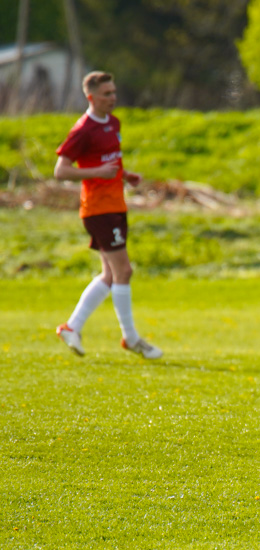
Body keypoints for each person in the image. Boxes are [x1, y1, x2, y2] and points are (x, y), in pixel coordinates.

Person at [54, 71, 162, 360]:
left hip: (116, 205)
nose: (112, 98)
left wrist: (125, 175)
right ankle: (131, 337)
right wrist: (96, 174)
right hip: (98, 209)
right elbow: (61, 170)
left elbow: (109, 160)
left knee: (111, 274)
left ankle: (71, 327)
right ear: (91, 97)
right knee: (123, 271)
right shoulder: (83, 129)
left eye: (114, 93)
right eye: (106, 94)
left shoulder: (114, 123)